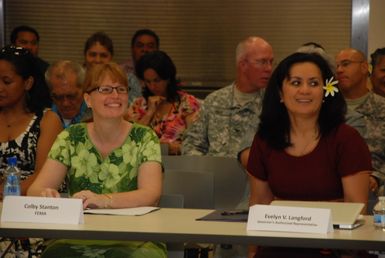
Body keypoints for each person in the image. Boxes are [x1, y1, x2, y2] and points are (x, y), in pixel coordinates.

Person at [27, 62, 166, 258]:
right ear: (88, 99)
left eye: (121, 89)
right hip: (78, 236)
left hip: (135, 238)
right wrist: (46, 195)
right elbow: (35, 190)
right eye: (105, 89)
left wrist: (104, 200)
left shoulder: (145, 137)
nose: (115, 96)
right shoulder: (71, 137)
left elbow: (150, 194)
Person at [247, 52, 371, 258]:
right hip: (278, 245)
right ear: (280, 92)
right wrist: (252, 252)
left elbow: (356, 209)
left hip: (333, 246)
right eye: (296, 82)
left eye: (314, 84)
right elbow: (259, 203)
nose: (305, 90)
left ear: (326, 92)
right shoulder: (265, 139)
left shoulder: (347, 138)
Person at [182, 36, 273, 158]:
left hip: (254, 175)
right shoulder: (215, 101)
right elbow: (191, 145)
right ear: (243, 65)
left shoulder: (274, 102)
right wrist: (207, 170)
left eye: (271, 62)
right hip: (215, 174)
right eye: (262, 62)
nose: (269, 69)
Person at [0, 45, 62, 198]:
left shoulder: (46, 120)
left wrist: (9, 194)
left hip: (33, 204)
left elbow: (44, 173)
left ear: (28, 83)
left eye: (6, 82)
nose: (0, 87)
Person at [127, 50, 200, 155]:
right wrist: (149, 113)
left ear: (168, 78)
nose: (152, 86)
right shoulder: (139, 105)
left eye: (157, 80)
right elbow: (130, 142)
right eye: (148, 81)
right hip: (144, 165)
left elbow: (196, 143)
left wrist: (173, 148)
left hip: (177, 164)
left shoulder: (187, 103)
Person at [335, 48, 385, 193]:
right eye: (337, 66)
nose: (339, 70)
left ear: (364, 67)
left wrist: (377, 176)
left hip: (376, 186)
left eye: (345, 64)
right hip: (335, 183)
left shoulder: (381, 106)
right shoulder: (326, 108)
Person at [120, 29, 160, 103]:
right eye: (140, 46)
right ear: (132, 49)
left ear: (157, 50)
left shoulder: (163, 73)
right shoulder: (121, 71)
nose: (145, 50)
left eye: (150, 46)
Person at [45, 60, 87, 128]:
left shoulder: (97, 118)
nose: (65, 103)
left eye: (71, 96)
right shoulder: (41, 120)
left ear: (84, 90)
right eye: (58, 97)